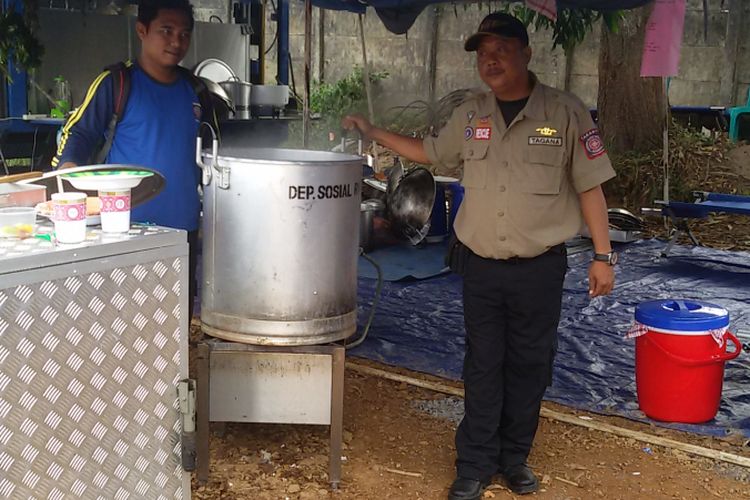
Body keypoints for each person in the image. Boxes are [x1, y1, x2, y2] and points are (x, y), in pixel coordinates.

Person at [343, 12, 616, 500]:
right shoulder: (472, 114)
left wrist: (602, 255)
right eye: (482, 53)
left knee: (531, 364)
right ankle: (474, 464)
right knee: (483, 364)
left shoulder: (565, 113)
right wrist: (373, 131)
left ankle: (514, 458)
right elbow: (430, 152)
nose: (490, 60)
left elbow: (591, 186)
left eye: (501, 50)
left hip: (539, 268)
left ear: (526, 53)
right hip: (482, 267)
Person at [52, 0, 214, 319]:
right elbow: (78, 135)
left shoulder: (196, 91)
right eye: (166, 31)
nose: (176, 41)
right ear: (142, 30)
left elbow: (212, 153)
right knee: (123, 318)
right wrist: (69, 177)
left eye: (184, 34)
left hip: (182, 230)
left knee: (175, 322)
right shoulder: (117, 83)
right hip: (125, 230)